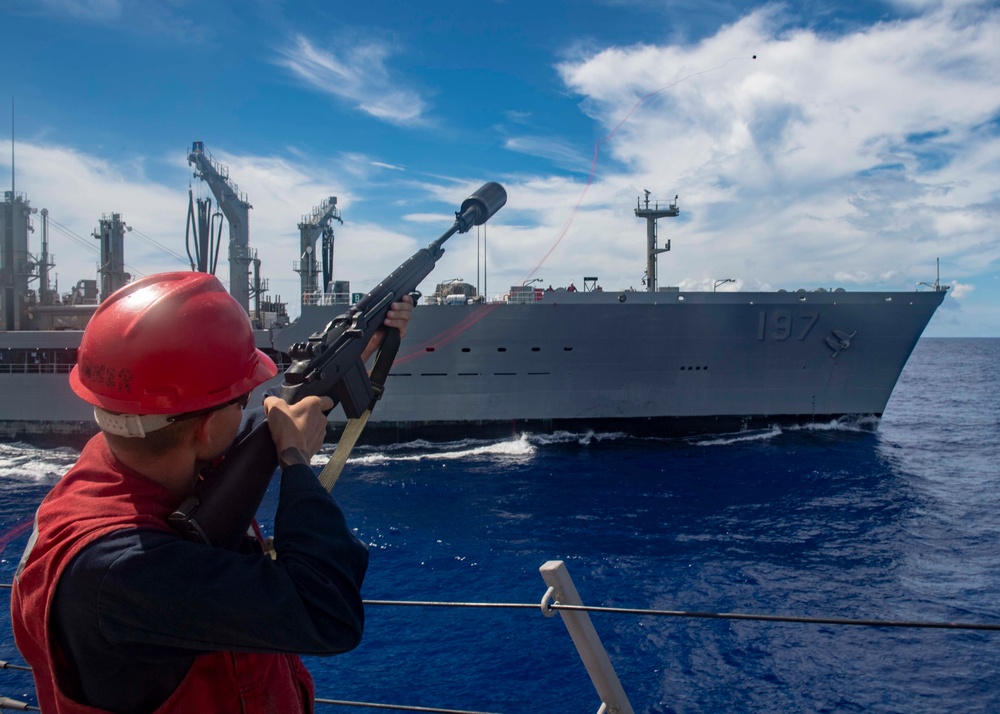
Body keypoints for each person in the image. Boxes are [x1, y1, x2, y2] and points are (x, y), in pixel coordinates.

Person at [10, 271, 413, 714]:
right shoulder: (123, 573)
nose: (251, 405)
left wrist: (352, 356)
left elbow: (253, 426)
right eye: (243, 399)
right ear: (204, 430)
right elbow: (328, 613)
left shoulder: (121, 463)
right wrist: (296, 461)